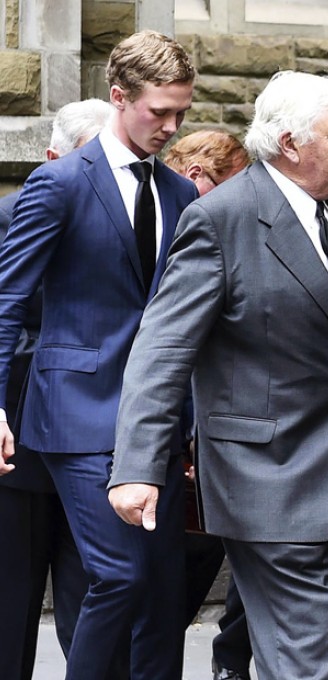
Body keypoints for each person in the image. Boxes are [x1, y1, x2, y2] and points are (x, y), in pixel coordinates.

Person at [107, 70, 328, 680]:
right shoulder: (221, 219)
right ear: (290, 142)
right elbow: (160, 352)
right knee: (306, 668)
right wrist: (136, 467)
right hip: (269, 486)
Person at [0, 31, 197, 680]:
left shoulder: (179, 195)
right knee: (119, 572)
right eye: (158, 112)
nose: (171, 127)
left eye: (181, 113)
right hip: (75, 413)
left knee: (151, 587)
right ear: (120, 97)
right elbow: (7, 300)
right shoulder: (57, 184)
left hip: (153, 423)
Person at [0, 98, 110, 680]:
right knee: (11, 601)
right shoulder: (9, 216)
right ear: (52, 158)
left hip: (92, 443)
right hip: (20, 443)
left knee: (91, 596)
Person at [164, 129, 254, 680]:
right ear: (200, 177)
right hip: (181, 442)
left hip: (220, 435)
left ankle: (230, 666)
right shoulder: (189, 229)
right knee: (173, 585)